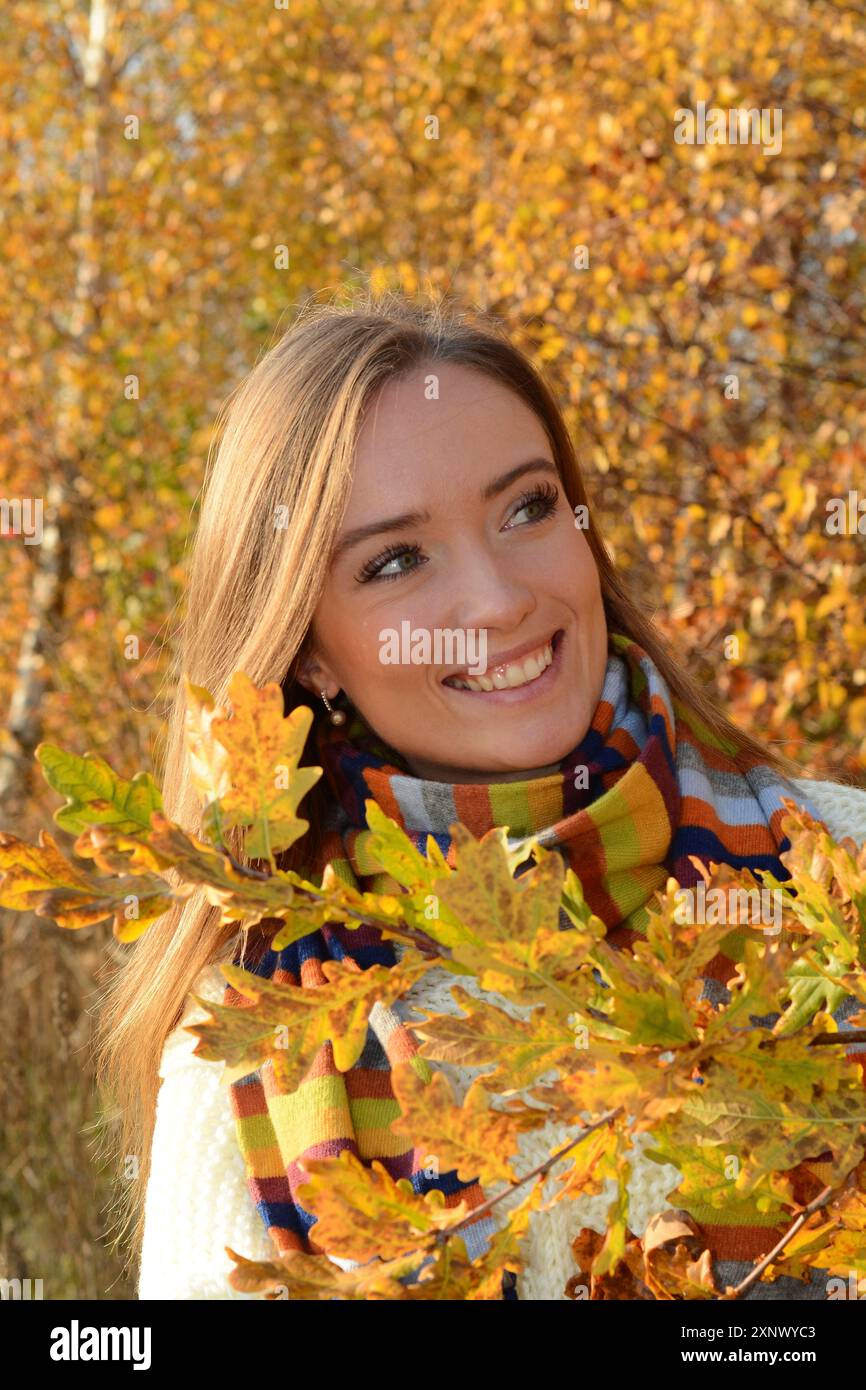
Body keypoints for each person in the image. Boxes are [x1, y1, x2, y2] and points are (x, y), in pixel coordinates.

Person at [94, 289, 866, 1301]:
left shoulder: (837, 859)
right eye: (396, 560)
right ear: (309, 651)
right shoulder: (253, 1027)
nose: (498, 598)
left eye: (526, 507)